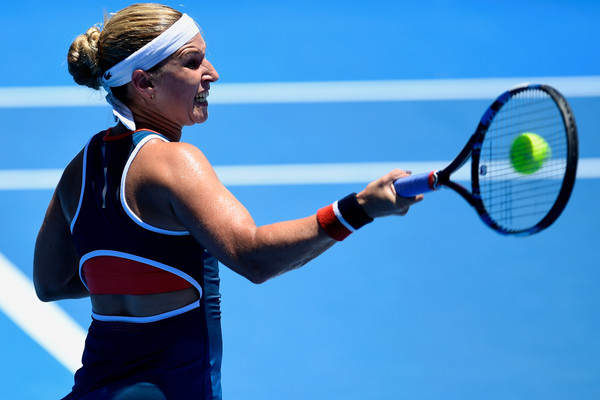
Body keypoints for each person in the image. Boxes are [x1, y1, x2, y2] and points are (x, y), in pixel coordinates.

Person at [33, 3, 423, 399]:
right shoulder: (173, 163)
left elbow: (52, 283)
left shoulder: (79, 170)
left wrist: (135, 274)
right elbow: (252, 256)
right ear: (144, 83)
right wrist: (358, 209)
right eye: (193, 62)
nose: (212, 73)